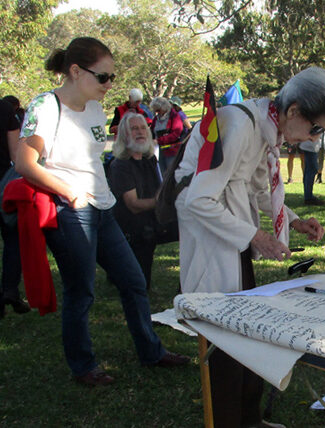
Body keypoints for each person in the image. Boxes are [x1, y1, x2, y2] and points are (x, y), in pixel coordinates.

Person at [175, 66, 325, 428]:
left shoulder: (263, 127)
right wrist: (254, 236)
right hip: (213, 236)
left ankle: (250, 420)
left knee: (248, 330)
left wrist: (294, 220)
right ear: (292, 111)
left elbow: (255, 190)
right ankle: (229, 422)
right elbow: (199, 199)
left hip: (233, 232)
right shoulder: (240, 125)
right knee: (224, 337)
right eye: (315, 128)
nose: (317, 138)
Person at [14, 37, 188, 386]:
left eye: (112, 77)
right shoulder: (45, 106)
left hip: (102, 207)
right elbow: (23, 162)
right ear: (76, 72)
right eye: (103, 77)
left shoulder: (95, 108)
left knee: (133, 281)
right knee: (82, 290)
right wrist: (69, 192)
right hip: (69, 209)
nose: (110, 85)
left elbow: (93, 160)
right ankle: (83, 367)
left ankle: (151, 351)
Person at [109, 112, 161, 289]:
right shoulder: (120, 165)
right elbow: (133, 205)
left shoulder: (150, 160)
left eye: (142, 128)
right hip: (131, 231)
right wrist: (162, 201)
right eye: (134, 129)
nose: (140, 132)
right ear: (124, 135)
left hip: (151, 225)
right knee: (138, 285)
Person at [0, 97, 29, 319]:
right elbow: (14, 154)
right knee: (12, 239)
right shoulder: (5, 109)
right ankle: (9, 289)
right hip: (4, 185)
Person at [149, 96, 184, 174]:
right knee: (163, 174)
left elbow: (176, 134)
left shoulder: (174, 116)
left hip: (173, 151)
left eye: (158, 110)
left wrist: (159, 140)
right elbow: (152, 131)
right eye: (156, 110)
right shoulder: (156, 118)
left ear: (164, 107)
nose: (157, 112)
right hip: (161, 150)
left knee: (172, 173)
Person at [298, 131, 325, 206]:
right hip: (310, 146)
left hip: (310, 145)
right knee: (311, 171)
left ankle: (308, 195)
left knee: (309, 171)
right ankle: (308, 197)